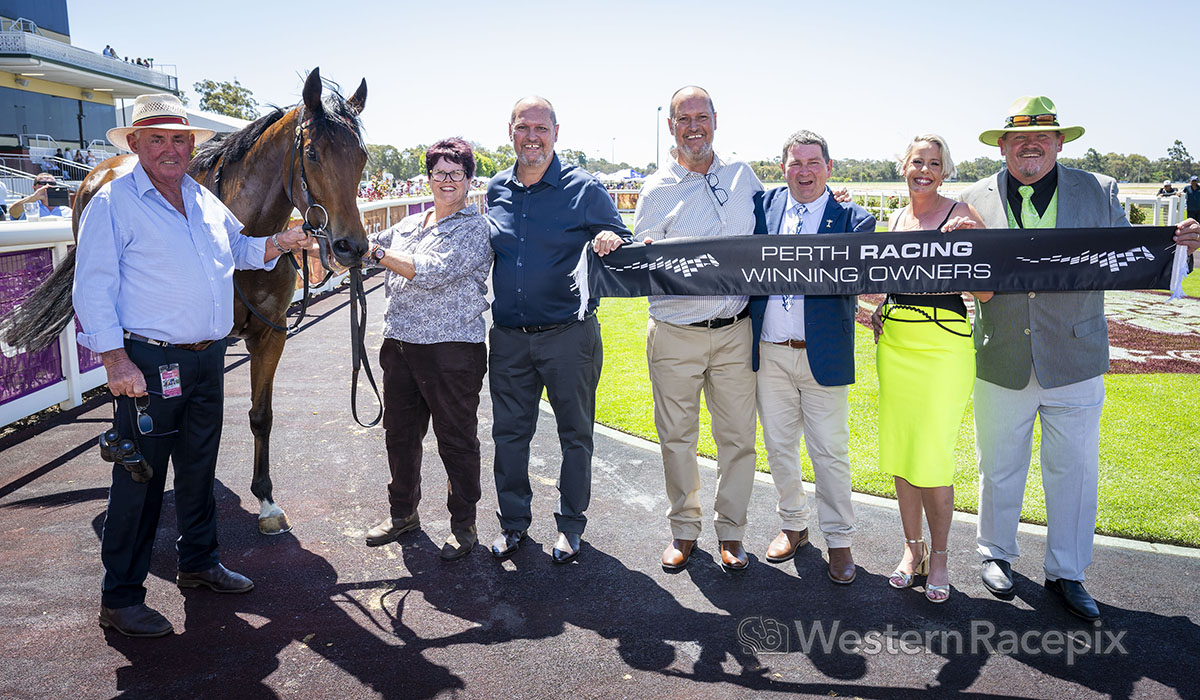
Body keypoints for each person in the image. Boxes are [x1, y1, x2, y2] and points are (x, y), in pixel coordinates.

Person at [73, 93, 315, 638]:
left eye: (179, 139)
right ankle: (121, 596)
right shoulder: (113, 204)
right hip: (148, 362)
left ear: (191, 146)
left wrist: (284, 240)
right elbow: (92, 288)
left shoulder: (203, 201)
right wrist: (115, 360)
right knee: (140, 478)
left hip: (208, 359)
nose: (170, 149)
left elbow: (243, 251)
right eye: (156, 138)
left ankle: (199, 564)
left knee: (200, 468)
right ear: (134, 144)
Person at [961, 96, 1200, 621]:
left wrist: (1181, 246)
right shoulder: (972, 198)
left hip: (1075, 353)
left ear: (1060, 143)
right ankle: (996, 553)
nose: (1031, 145)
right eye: (1019, 138)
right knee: (999, 467)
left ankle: (1067, 571)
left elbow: (1134, 254)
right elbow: (953, 265)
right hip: (1000, 355)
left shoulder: (1099, 190)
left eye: (1043, 137)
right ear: (1000, 145)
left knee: (1074, 471)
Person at [486, 96, 630, 564]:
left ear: (556, 132)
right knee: (509, 436)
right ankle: (512, 525)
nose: (533, 136)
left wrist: (611, 238)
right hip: (508, 337)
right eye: (524, 127)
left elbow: (623, 242)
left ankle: (571, 526)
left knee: (575, 435)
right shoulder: (494, 190)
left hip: (570, 336)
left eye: (541, 127)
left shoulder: (584, 188)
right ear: (510, 132)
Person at [635, 86, 762, 573]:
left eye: (701, 116)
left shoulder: (742, 176)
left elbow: (779, 218)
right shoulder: (655, 189)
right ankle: (684, 530)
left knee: (738, 438)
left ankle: (731, 531)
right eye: (683, 118)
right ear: (671, 126)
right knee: (677, 437)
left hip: (734, 330)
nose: (694, 126)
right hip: (675, 332)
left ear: (715, 120)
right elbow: (639, 256)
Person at [748, 130, 875, 584]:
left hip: (824, 354)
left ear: (829, 167)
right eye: (795, 163)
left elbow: (862, 280)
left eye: (813, 163)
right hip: (770, 352)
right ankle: (794, 525)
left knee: (829, 452)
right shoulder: (763, 207)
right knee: (780, 448)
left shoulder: (854, 219)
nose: (804, 171)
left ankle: (839, 540)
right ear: (782, 167)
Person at [867, 135, 988, 602]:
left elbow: (987, 293)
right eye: (918, 161)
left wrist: (971, 246)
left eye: (934, 163)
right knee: (902, 452)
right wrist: (885, 308)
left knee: (933, 456)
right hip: (896, 346)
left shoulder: (963, 216)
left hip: (944, 351)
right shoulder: (895, 219)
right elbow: (892, 281)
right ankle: (910, 550)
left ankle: (939, 557)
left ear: (945, 171)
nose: (925, 170)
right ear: (904, 167)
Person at [361, 138, 493, 561]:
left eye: (456, 173)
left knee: (455, 440)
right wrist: (320, 242)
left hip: (452, 351)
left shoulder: (476, 229)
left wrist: (374, 251)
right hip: (400, 345)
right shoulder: (410, 224)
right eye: (439, 173)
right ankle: (402, 514)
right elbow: (357, 249)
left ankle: (463, 524)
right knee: (399, 436)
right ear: (429, 178)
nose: (447, 180)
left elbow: (431, 272)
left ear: (469, 180)